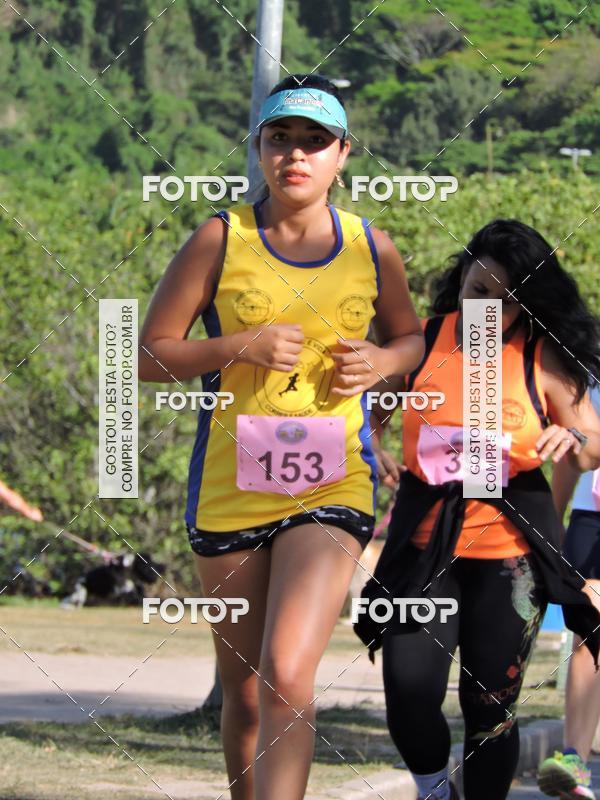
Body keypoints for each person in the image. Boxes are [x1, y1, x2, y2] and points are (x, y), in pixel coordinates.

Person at [138, 74, 424, 800]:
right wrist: (238, 346)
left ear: (342, 154)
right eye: (280, 139)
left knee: (289, 671)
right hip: (231, 488)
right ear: (260, 149)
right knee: (245, 693)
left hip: (333, 482)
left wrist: (386, 362)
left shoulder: (371, 246)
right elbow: (144, 356)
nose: (296, 155)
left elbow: (411, 338)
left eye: (314, 141)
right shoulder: (218, 236)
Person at [355, 219, 600, 800]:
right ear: (459, 281)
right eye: (480, 291)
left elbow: (590, 443)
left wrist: (574, 442)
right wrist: (375, 453)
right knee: (409, 690)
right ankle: (434, 787)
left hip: (508, 557)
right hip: (425, 546)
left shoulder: (541, 354)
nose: (490, 307)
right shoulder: (422, 341)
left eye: (508, 298)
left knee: (490, 706)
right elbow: (367, 420)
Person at [538, 383, 600, 800]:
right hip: (592, 513)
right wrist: (550, 524)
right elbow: (571, 454)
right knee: (589, 632)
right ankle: (573, 762)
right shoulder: (591, 382)